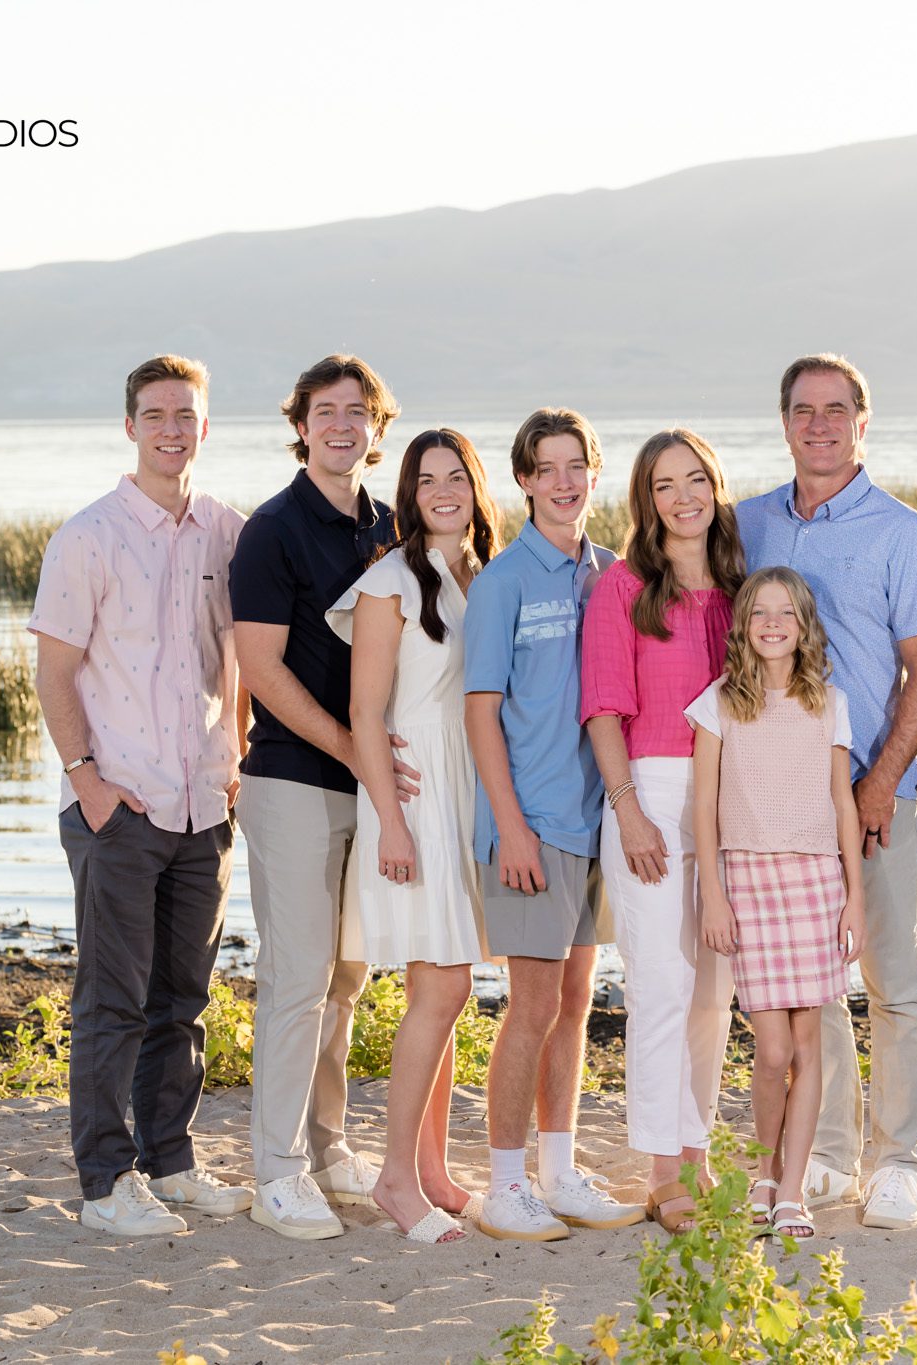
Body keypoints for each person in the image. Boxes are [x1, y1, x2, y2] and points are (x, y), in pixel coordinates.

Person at [29, 354, 253, 1235]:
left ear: (205, 427)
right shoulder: (86, 536)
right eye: (156, 414)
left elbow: (241, 652)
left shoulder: (227, 533)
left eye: (186, 415)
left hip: (203, 803)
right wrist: (88, 783)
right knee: (112, 1000)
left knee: (185, 999)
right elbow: (54, 670)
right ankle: (105, 1183)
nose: (172, 429)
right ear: (130, 427)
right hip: (118, 805)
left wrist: (236, 750)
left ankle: (171, 1159)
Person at [735, 354, 917, 1230]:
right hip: (777, 804)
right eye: (802, 410)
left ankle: (896, 1158)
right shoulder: (746, 523)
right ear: (783, 422)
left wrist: (879, 783)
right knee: (807, 985)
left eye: (836, 410)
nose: (818, 424)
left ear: (864, 422)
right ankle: (825, 1152)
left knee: (892, 979)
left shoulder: (905, 534)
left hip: (874, 790)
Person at [230, 354, 408, 1240]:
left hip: (367, 788)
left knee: (346, 976)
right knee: (297, 979)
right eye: (325, 411)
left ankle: (329, 1145)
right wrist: (351, 748)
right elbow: (260, 668)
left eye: (358, 411)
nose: (342, 425)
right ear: (300, 424)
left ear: (378, 427)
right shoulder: (271, 529)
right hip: (295, 782)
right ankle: (278, 1172)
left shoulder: (392, 526)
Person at [463, 408, 643, 1241]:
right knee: (531, 1003)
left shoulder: (612, 575)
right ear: (525, 480)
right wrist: (511, 825)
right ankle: (506, 1182)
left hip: (593, 820)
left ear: (593, 476)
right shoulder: (503, 582)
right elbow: (480, 712)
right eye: (548, 468)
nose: (565, 481)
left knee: (576, 999)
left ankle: (559, 1170)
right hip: (531, 823)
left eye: (578, 466)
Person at [326, 428, 502, 1244]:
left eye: (455, 476)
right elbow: (365, 713)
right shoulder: (389, 581)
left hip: (470, 789)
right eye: (426, 477)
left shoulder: (479, 574)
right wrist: (390, 820)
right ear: (408, 490)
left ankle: (431, 1168)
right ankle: (397, 1176)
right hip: (416, 795)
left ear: (474, 486)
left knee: (449, 986)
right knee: (441, 988)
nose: (442, 489)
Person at [581, 429, 744, 1234]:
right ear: (646, 499)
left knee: (715, 990)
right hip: (649, 789)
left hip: (730, 802)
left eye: (696, 480)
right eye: (665, 485)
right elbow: (604, 707)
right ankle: (662, 1167)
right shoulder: (624, 586)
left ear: (715, 486)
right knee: (659, 984)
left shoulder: (744, 588)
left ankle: (698, 1147)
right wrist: (629, 808)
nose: (684, 497)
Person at [690, 567, 865, 1241]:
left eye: (784, 613)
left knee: (808, 1040)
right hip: (749, 882)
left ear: (803, 625)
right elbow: (703, 804)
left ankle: (791, 1188)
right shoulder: (718, 704)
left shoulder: (830, 702)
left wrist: (854, 899)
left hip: (816, 881)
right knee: (770, 1047)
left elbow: (844, 804)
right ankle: (764, 1169)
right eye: (759, 612)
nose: (771, 622)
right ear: (743, 625)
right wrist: (713, 894)